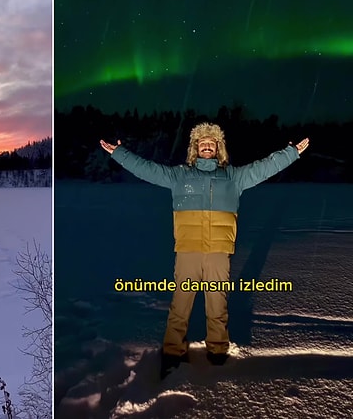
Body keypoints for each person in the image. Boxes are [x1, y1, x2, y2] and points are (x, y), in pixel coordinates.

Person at [100, 122, 310, 378]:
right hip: (188, 251)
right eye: (202, 143)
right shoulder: (180, 176)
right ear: (195, 148)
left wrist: (290, 153)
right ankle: (172, 354)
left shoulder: (234, 177)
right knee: (180, 305)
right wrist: (121, 154)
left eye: (211, 143)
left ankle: (218, 351)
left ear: (218, 148)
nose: (207, 146)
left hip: (218, 253)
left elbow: (264, 167)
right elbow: (148, 170)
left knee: (217, 304)